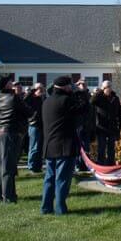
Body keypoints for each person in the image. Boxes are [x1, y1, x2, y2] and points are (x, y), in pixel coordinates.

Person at [40, 75, 89, 215]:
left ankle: (46, 207)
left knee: (49, 178)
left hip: (49, 145)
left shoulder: (47, 101)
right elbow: (83, 109)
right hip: (65, 146)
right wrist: (82, 91)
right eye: (70, 86)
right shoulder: (66, 101)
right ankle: (60, 208)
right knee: (62, 179)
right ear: (66, 87)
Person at [0, 73, 30, 203]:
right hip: (10, 133)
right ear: (6, 84)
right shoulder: (13, 98)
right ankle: (8, 196)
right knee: (9, 166)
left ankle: (0, 194)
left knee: (1, 166)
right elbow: (28, 112)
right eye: (10, 81)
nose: (12, 82)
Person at [92, 80, 121, 165]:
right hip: (101, 127)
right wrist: (99, 92)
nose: (108, 89)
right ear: (103, 88)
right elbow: (91, 101)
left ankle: (111, 163)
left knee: (111, 148)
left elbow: (120, 113)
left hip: (112, 127)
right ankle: (101, 163)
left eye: (109, 86)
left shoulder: (115, 98)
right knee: (101, 147)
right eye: (106, 87)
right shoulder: (99, 97)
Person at [24, 83, 46, 172]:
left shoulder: (43, 98)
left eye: (42, 88)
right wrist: (33, 90)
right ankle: (31, 166)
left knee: (40, 147)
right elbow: (24, 100)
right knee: (34, 146)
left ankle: (38, 166)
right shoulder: (31, 98)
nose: (40, 90)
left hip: (42, 125)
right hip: (34, 124)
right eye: (38, 88)